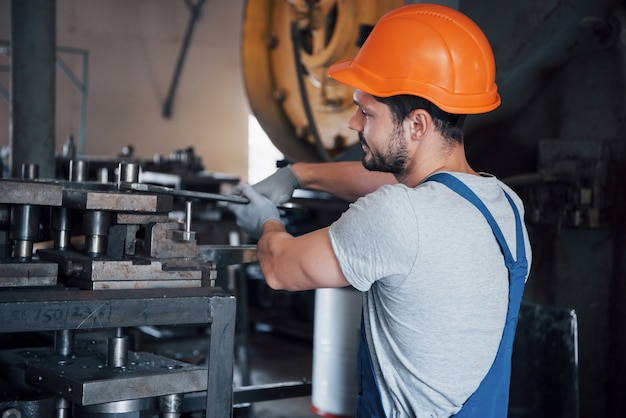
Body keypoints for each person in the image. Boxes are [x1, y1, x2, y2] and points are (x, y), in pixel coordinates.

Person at [230, 3, 531, 417]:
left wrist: (263, 220)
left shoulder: (399, 215)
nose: (354, 123)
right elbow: (400, 184)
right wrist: (299, 175)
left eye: (366, 111)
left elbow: (280, 268)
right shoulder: (504, 206)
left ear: (417, 125)